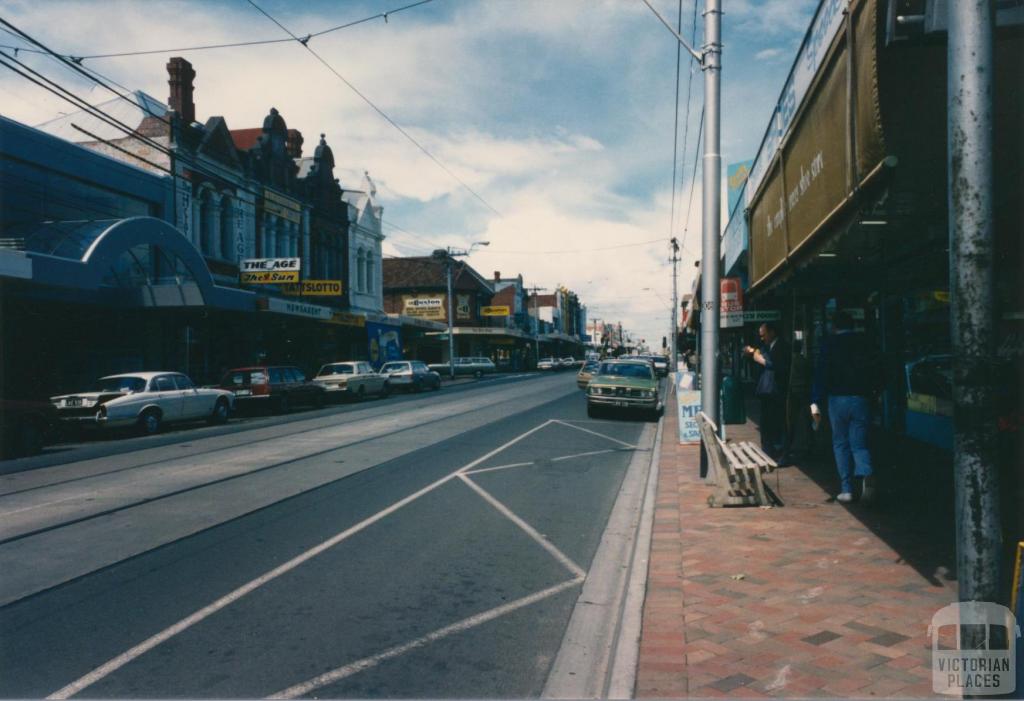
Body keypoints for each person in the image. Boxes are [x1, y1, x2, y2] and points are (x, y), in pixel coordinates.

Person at [810, 312, 878, 503]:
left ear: (834, 327)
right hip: (861, 397)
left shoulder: (829, 345)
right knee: (859, 442)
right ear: (853, 325)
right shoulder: (865, 343)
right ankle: (866, 471)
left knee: (840, 442)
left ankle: (846, 489)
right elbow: (876, 368)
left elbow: (821, 374)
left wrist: (815, 399)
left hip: (837, 398)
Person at [743, 322, 790, 462]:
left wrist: (762, 361)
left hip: (777, 390)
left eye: (764, 335)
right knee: (766, 422)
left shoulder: (782, 347)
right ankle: (768, 450)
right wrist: (751, 354)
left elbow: (780, 366)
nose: (762, 338)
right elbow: (759, 356)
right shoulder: (766, 346)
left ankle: (779, 452)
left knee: (777, 422)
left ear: (772, 332)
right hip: (766, 390)